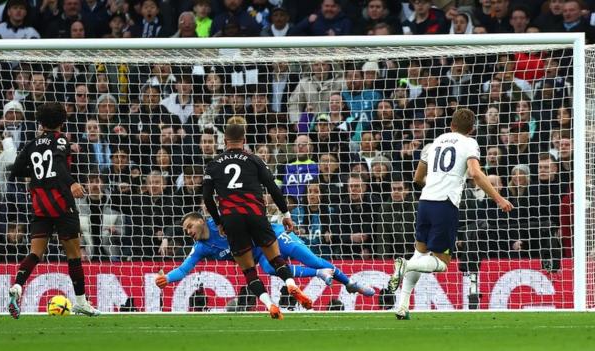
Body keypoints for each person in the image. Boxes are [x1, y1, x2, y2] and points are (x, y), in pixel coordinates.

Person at [388, 108, 513, 320]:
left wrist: (435, 182)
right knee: (442, 263)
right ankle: (405, 265)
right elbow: (475, 173)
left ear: (451, 125)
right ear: (472, 129)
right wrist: (499, 199)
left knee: (420, 254)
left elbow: (418, 178)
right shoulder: (470, 143)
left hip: (425, 202)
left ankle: (402, 306)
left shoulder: (435, 142)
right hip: (445, 205)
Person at [193, 116, 312, 319]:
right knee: (275, 259)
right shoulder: (254, 159)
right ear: (244, 139)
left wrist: (219, 221)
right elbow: (273, 188)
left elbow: (207, 198)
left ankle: (270, 305)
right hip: (255, 214)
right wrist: (286, 214)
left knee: (249, 269)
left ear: (224, 141)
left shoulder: (213, 165)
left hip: (231, 219)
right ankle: (291, 285)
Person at [7, 103, 100, 318]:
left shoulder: (31, 144)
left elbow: (16, 172)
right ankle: (81, 303)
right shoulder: (60, 140)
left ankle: (18, 286)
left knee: (35, 253)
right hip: (61, 204)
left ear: (40, 122)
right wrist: (72, 183)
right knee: (74, 254)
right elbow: (58, 167)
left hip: (40, 206)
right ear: (62, 121)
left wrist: (38, 175)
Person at [155, 212, 375, 296]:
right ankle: (320, 273)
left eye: (189, 227)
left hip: (273, 235)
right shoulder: (201, 248)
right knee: (270, 268)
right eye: (185, 231)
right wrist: (167, 278)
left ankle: (349, 283)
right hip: (260, 253)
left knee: (312, 259)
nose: (188, 232)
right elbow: (184, 269)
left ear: (200, 220)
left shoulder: (220, 221)